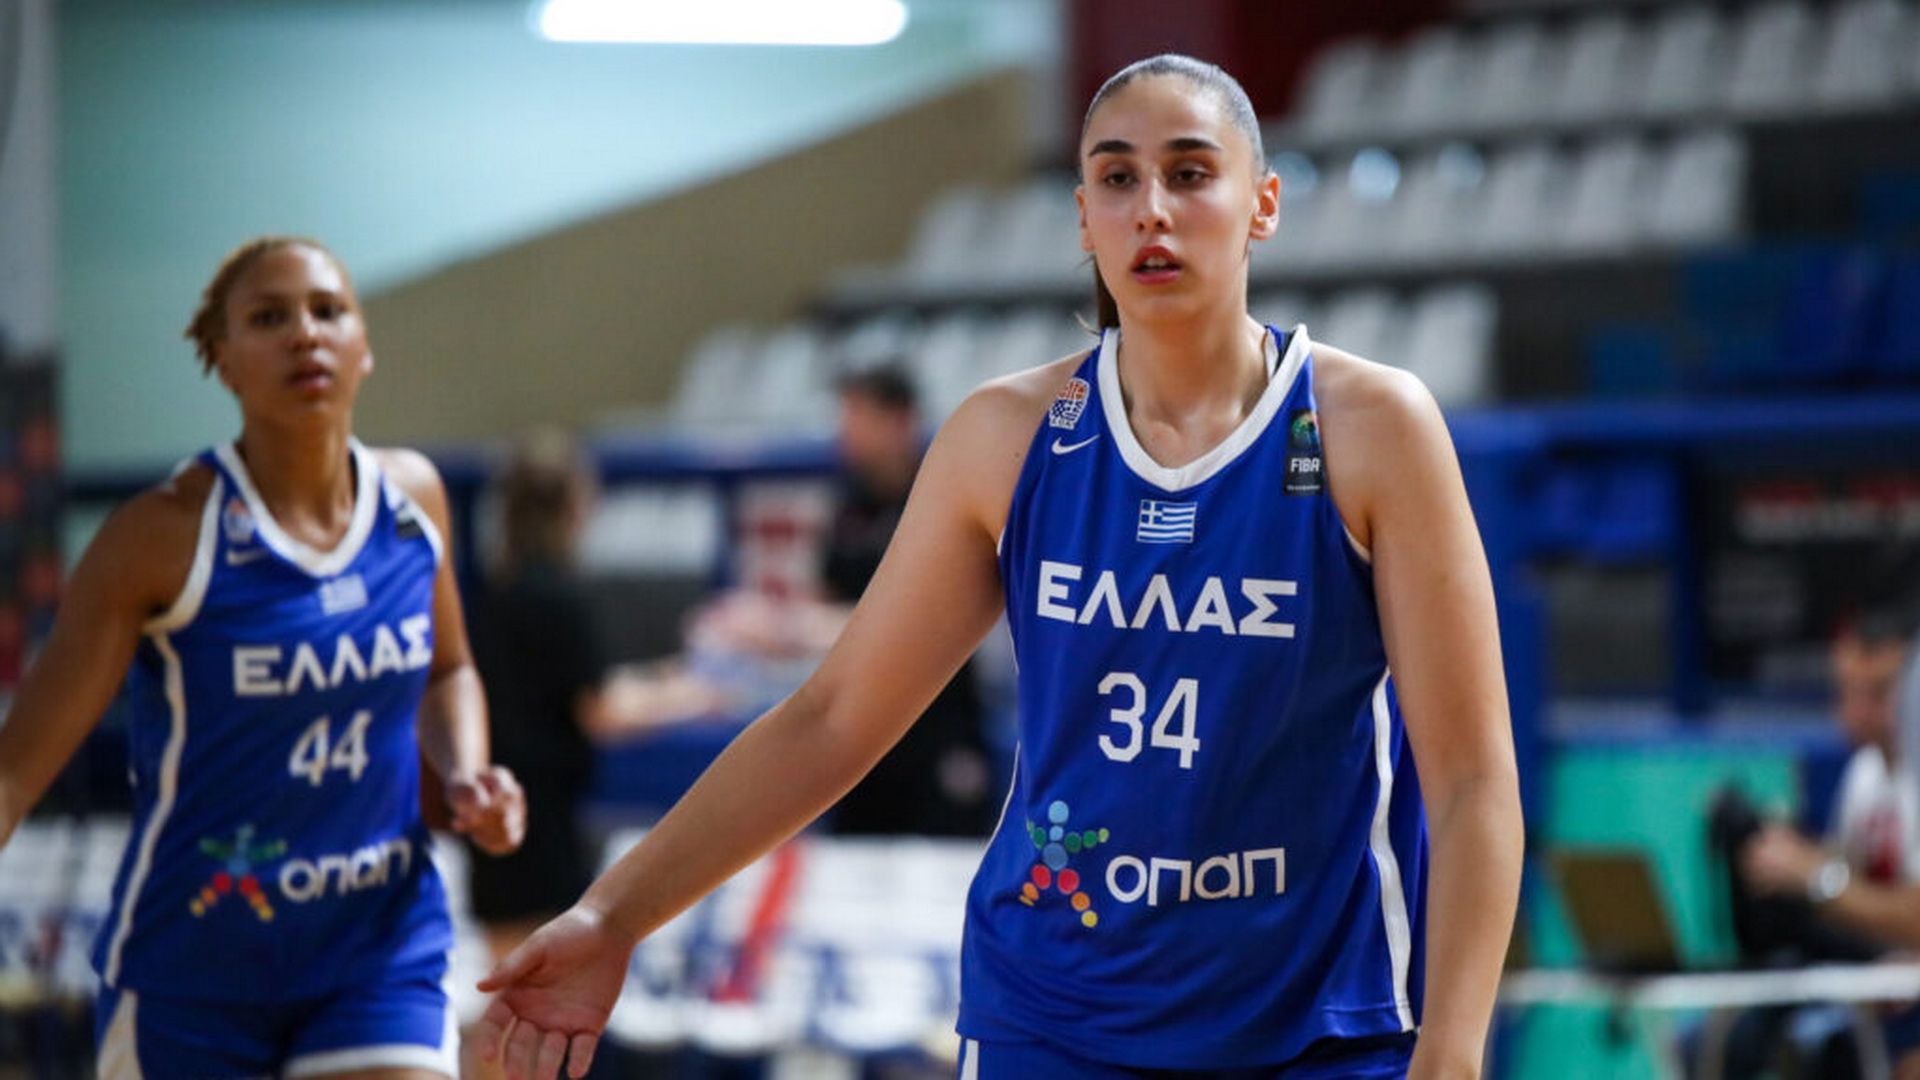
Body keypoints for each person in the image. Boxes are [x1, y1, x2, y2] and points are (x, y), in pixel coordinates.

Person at [476, 54, 1522, 1080]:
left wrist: (1453, 1051)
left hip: (1317, 1025)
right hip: (1053, 1015)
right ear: (1084, 218)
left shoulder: (1372, 426)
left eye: (1191, 172)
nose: (1152, 209)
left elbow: (1473, 779)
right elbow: (833, 719)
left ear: (1264, 203)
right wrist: (613, 917)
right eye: (1118, 178)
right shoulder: (1007, 435)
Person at [0, 236, 527, 1078]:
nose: (305, 334)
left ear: (364, 346)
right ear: (222, 358)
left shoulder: (414, 500)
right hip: (196, 964)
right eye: (270, 318)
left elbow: (448, 669)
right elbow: (15, 772)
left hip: (376, 945)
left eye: (328, 311)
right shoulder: (160, 536)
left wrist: (467, 771)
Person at [1735, 603, 1920, 1075]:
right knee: (1731, 1038)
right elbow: (1854, 879)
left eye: (1881, 692)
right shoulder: (1865, 773)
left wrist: (1818, 880)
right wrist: (1788, 861)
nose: (1860, 710)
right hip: (1871, 989)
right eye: (1849, 690)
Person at [820, 366, 994, 837]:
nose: (846, 430)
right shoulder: (849, 506)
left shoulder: (945, 495)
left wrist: (809, 626)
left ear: (899, 421)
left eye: (858, 416)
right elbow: (827, 598)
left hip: (939, 723)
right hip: (863, 728)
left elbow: (938, 612)